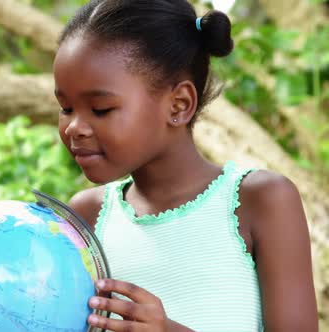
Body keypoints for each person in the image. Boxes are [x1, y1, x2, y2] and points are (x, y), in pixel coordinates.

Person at [53, 0, 318, 331]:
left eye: (101, 108)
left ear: (179, 104)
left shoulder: (261, 201)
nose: (74, 127)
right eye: (65, 108)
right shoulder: (85, 216)